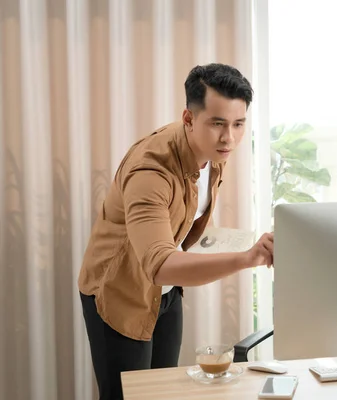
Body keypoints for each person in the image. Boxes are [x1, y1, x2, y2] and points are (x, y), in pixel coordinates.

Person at [77, 63, 273, 400]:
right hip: (119, 290)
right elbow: (160, 265)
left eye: (238, 124)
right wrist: (247, 258)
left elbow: (181, 224)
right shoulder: (150, 171)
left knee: (164, 393)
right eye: (217, 124)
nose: (229, 137)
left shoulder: (214, 148)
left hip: (166, 293)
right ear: (189, 119)